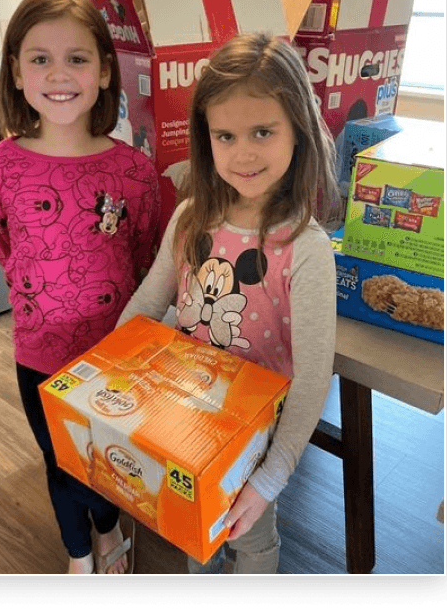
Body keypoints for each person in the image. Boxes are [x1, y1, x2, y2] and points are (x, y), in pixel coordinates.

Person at [116, 32, 340, 574]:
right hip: (186, 417)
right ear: (206, 138)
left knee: (251, 537)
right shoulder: (191, 216)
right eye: (226, 135)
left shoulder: (306, 250)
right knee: (198, 536)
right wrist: (107, 377)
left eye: (263, 131)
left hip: (254, 443)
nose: (243, 153)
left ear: (299, 132)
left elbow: (313, 379)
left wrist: (268, 478)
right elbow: (148, 302)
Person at [0, 0, 160, 574]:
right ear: (16, 71)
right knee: (58, 463)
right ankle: (79, 558)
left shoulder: (133, 170)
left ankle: (107, 533)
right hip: (38, 351)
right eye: (40, 58)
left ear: (105, 71)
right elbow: (3, 243)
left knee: (105, 462)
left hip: (116, 354)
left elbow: (147, 256)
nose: (60, 74)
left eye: (77, 58)